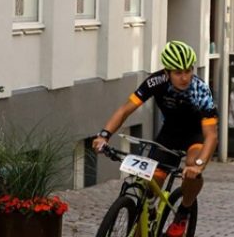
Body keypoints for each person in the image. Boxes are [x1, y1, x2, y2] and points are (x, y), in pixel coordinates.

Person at [92, 40, 218, 237]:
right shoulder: (156, 82)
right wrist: (104, 135)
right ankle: (146, 218)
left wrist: (199, 166)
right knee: (149, 187)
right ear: (167, 72)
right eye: (178, 72)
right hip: (169, 135)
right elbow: (126, 109)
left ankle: (183, 211)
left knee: (193, 163)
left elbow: (211, 135)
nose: (185, 77)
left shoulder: (200, 90)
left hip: (195, 135)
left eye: (188, 71)